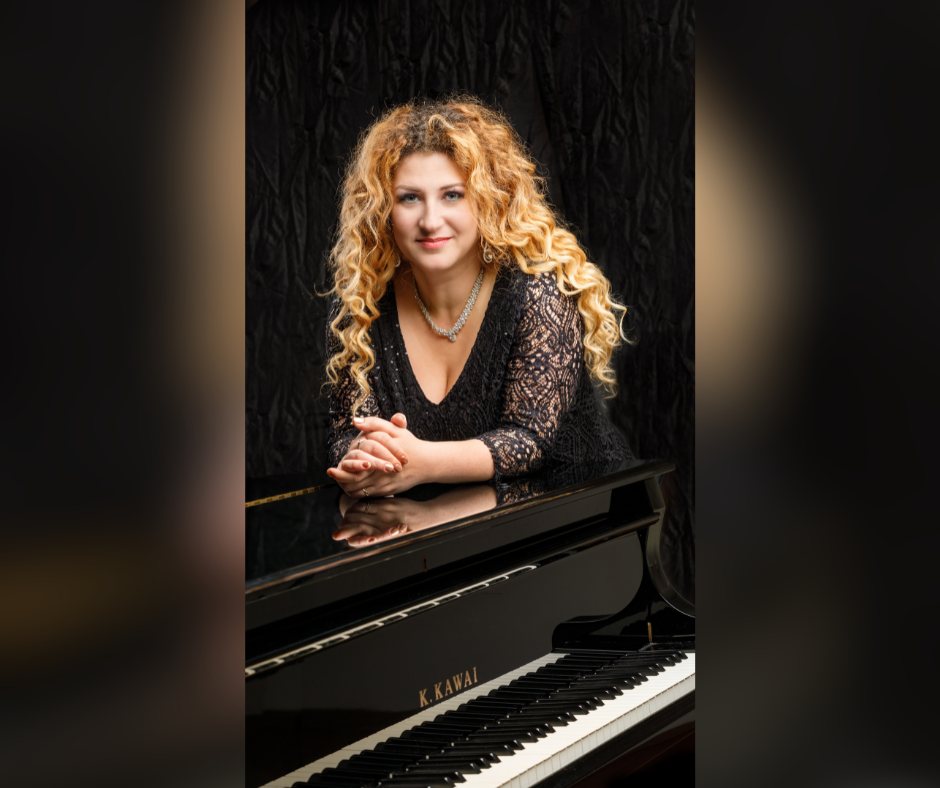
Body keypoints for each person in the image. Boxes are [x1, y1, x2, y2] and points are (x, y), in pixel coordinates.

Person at [325, 97, 631, 498]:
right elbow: (346, 431)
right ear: (382, 209)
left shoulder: (539, 293)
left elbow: (528, 441)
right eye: (409, 198)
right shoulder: (361, 303)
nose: (430, 220)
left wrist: (421, 462)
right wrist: (365, 458)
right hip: (448, 518)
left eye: (452, 195)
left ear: (487, 199)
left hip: (582, 510)